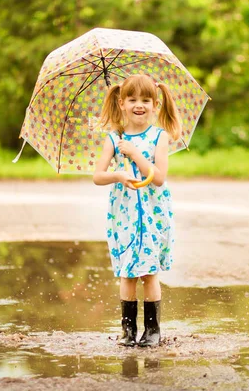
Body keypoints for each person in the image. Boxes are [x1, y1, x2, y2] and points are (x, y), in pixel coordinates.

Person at [93, 74, 181, 347]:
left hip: (153, 215)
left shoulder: (159, 137)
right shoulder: (114, 138)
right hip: (124, 215)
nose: (138, 105)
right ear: (121, 103)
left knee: (149, 272)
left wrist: (135, 154)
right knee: (127, 272)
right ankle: (128, 330)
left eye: (145, 100)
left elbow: (158, 177)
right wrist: (118, 175)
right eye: (132, 100)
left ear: (155, 105)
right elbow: (97, 175)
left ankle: (153, 330)